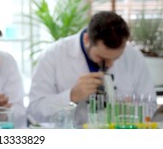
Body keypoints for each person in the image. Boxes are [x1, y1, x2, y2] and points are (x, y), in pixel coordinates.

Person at [28, 11, 157, 127]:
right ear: (86, 39)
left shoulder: (134, 57)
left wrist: (130, 111)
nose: (110, 64)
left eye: (116, 57)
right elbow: (35, 111)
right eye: (102, 58)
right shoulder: (54, 55)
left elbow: (150, 106)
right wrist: (72, 96)